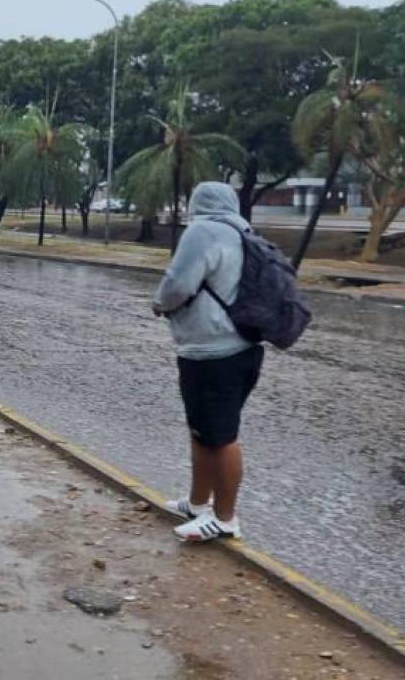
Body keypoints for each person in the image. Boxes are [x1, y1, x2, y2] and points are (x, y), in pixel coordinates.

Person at [152, 182, 264, 542]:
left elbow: (178, 284)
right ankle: (199, 504)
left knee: (222, 435)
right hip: (243, 348)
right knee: (203, 429)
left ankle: (225, 518)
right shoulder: (244, 232)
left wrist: (160, 304)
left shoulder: (203, 231)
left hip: (213, 351)